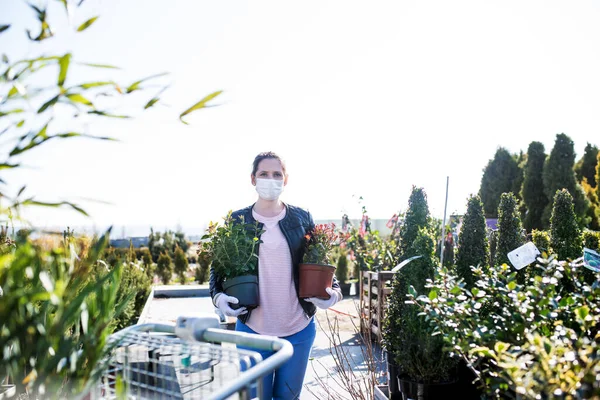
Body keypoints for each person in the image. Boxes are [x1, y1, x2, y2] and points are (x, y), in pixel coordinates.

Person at [209, 151, 343, 400]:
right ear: (253, 179)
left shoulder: (301, 218)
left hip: (298, 331)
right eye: (264, 174)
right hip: (251, 332)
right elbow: (218, 269)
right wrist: (218, 299)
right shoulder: (237, 220)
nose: (270, 179)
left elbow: (320, 260)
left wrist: (333, 294)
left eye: (276, 174)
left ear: (285, 179)